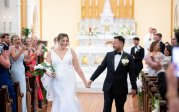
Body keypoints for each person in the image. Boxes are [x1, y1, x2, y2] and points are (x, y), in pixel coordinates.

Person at [87, 36, 137, 112]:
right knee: (106, 108)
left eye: (114, 43)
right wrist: (91, 79)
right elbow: (101, 68)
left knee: (120, 109)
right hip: (108, 87)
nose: (112, 45)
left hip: (121, 88)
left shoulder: (128, 57)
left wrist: (134, 87)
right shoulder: (109, 55)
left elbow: (132, 73)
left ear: (121, 44)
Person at [42, 33, 89, 112]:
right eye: (63, 40)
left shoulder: (71, 51)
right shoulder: (51, 53)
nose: (65, 43)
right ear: (58, 40)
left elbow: (77, 68)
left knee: (70, 98)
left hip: (70, 79)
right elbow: (46, 68)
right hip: (57, 80)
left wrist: (85, 82)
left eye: (67, 41)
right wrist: (48, 73)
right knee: (60, 100)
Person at [10, 35, 30, 112]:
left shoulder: (20, 48)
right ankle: (20, 109)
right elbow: (14, 59)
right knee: (20, 89)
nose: (18, 40)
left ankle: (23, 109)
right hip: (15, 70)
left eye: (19, 39)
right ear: (12, 41)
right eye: (16, 39)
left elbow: (27, 59)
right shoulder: (12, 48)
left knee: (23, 89)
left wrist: (28, 51)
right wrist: (22, 50)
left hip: (21, 70)